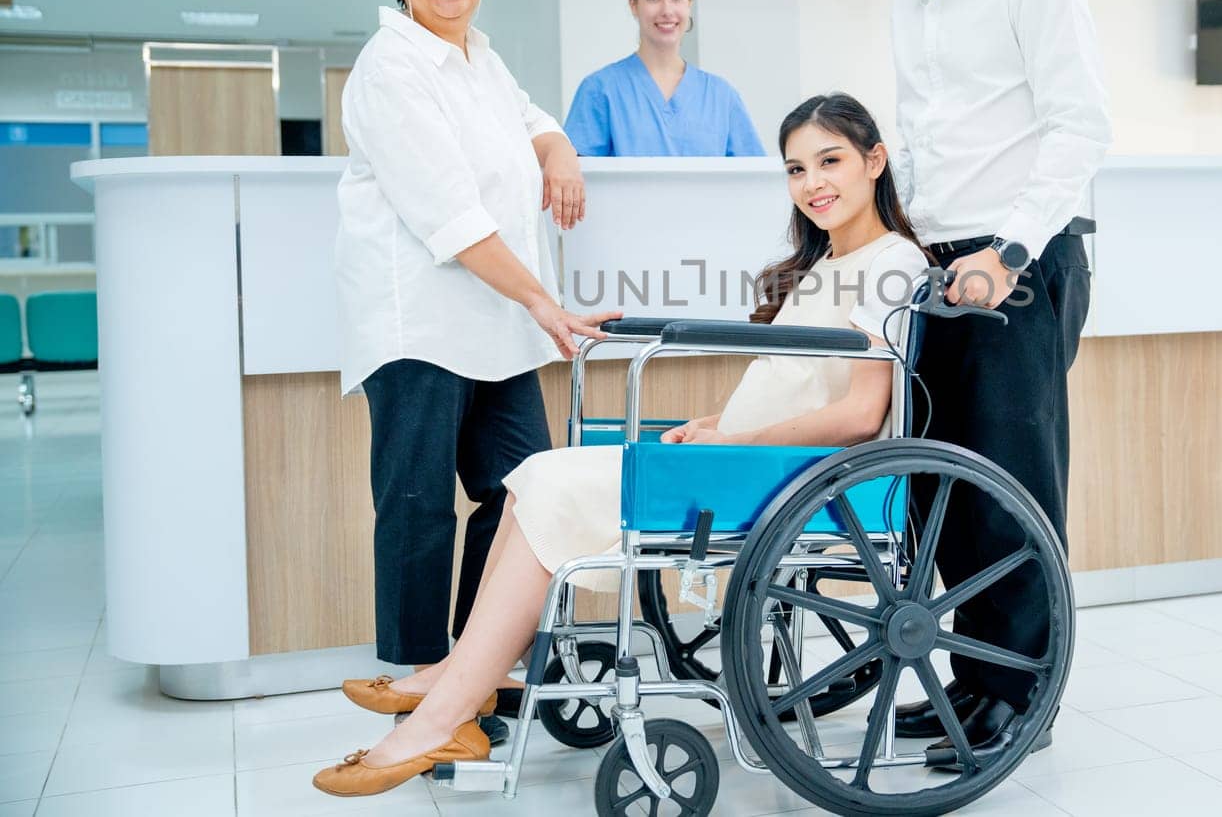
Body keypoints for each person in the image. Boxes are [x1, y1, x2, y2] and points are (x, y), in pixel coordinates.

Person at [313, 93, 929, 796]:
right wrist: (713, 426)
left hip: (785, 475)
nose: (813, 182)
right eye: (796, 169)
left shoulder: (892, 263)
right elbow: (792, 384)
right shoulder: (821, 263)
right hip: (742, 457)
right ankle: (463, 683)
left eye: (831, 161)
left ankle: (444, 709)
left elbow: (857, 413)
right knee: (532, 473)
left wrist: (736, 438)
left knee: (553, 483)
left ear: (874, 161)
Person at [865, 0, 1111, 762]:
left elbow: (1079, 126)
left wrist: (1005, 252)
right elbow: (925, 143)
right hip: (935, 265)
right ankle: (971, 677)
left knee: (1010, 485)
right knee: (943, 489)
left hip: (1014, 260)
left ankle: (1023, 698)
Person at [335, 0, 617, 697]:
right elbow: (451, 221)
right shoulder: (391, 68)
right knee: (419, 505)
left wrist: (558, 150)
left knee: (522, 493)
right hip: (419, 324)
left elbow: (531, 115)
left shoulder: (479, 58)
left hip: (494, 322)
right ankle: (421, 683)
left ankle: (476, 661)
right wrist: (545, 302)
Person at [563, 0, 766, 156]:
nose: (667, 10)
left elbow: (752, 180)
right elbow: (577, 178)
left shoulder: (721, 96)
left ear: (689, 3)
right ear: (633, 5)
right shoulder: (600, 89)